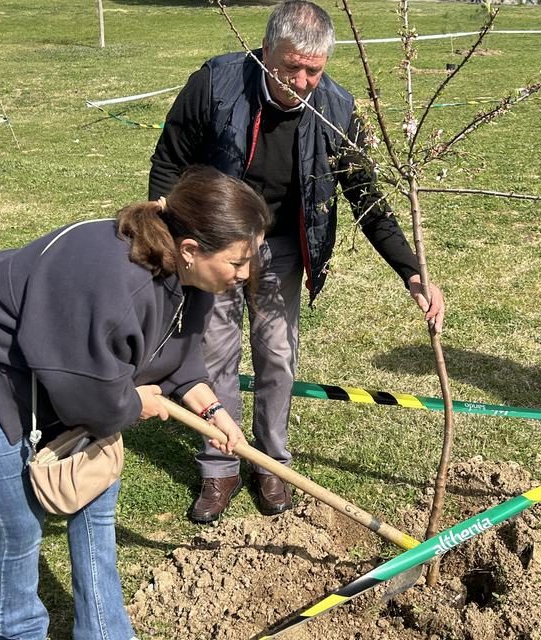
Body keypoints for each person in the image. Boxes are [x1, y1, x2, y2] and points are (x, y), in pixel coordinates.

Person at [0, 167, 268, 639]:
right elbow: (90, 399)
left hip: (63, 375)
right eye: (238, 261)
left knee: (96, 497)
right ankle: (20, 631)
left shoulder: (194, 280)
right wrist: (134, 403)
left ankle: (105, 633)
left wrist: (214, 412)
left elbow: (177, 354)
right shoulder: (117, 284)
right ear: (190, 250)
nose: (246, 274)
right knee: (19, 526)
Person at [148, 0, 446, 525]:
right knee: (214, 351)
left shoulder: (335, 107)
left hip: (285, 245)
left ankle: (272, 463)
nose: (303, 81)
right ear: (266, 52)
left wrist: (411, 269)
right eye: (292, 68)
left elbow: (365, 195)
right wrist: (172, 229)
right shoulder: (215, 85)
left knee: (277, 354)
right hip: (218, 241)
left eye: (315, 70)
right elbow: (170, 158)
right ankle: (219, 467)